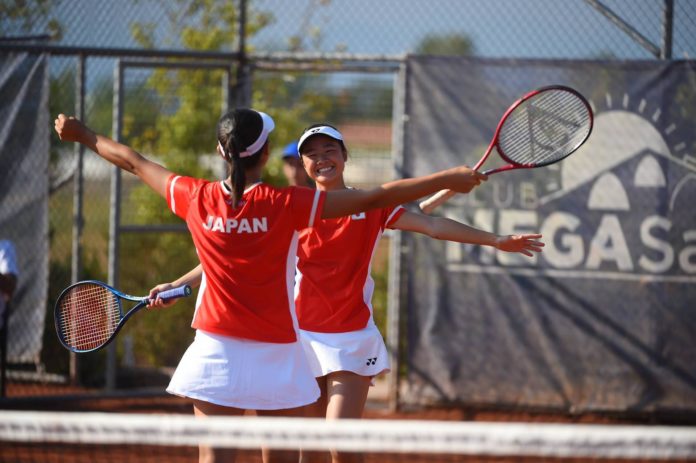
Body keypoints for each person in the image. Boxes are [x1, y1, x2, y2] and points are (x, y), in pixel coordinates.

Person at [54, 109, 486, 463]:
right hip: (277, 354)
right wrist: (446, 177)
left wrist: (83, 134)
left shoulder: (196, 197)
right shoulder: (288, 205)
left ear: (223, 154)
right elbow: (376, 198)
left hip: (215, 351)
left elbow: (132, 161)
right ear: (265, 156)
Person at [151, 123, 543, 463]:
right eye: (311, 153)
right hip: (299, 340)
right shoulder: (292, 208)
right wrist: (178, 283)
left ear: (344, 156)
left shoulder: (371, 206)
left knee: (340, 442)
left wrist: (496, 240)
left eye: (329, 150)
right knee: (308, 450)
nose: (321, 158)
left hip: (353, 338)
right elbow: (228, 259)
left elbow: (434, 227)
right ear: (302, 164)